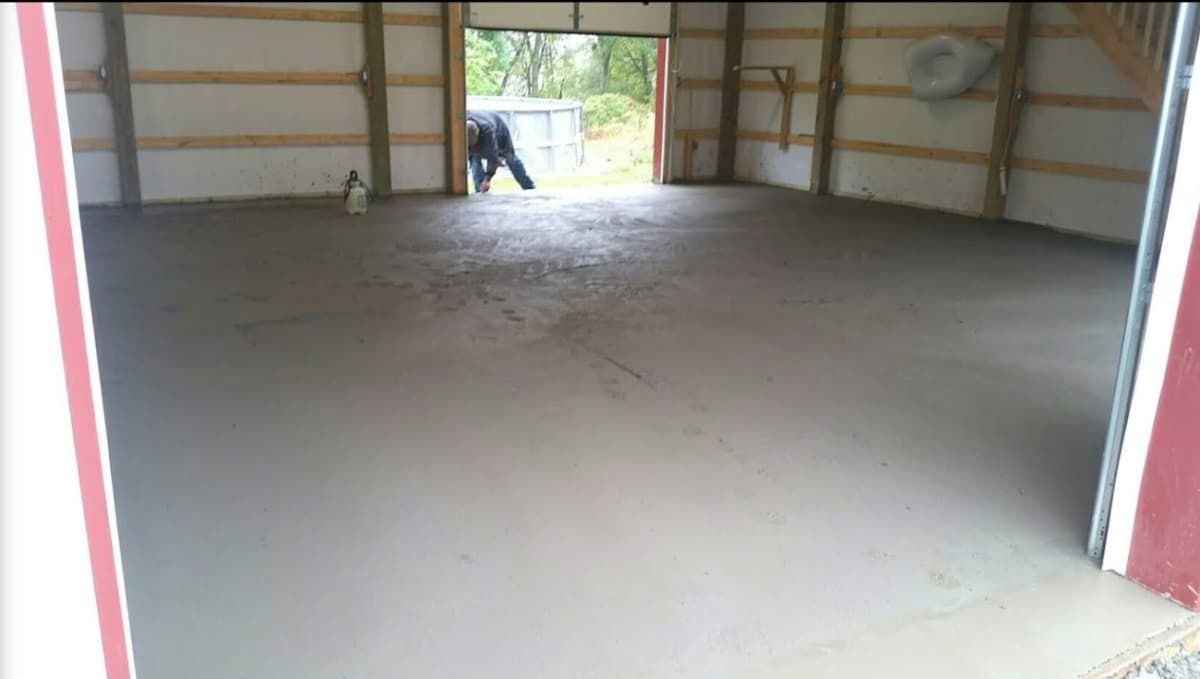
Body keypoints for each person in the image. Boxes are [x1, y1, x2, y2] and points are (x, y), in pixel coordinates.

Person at [466, 110, 536, 193]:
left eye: (475, 145)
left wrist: (488, 179)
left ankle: (529, 189)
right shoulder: (458, 124)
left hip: (499, 131)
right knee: (475, 160)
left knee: (510, 158)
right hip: (481, 126)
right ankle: (480, 192)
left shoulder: (488, 130)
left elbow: (492, 157)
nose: (473, 148)